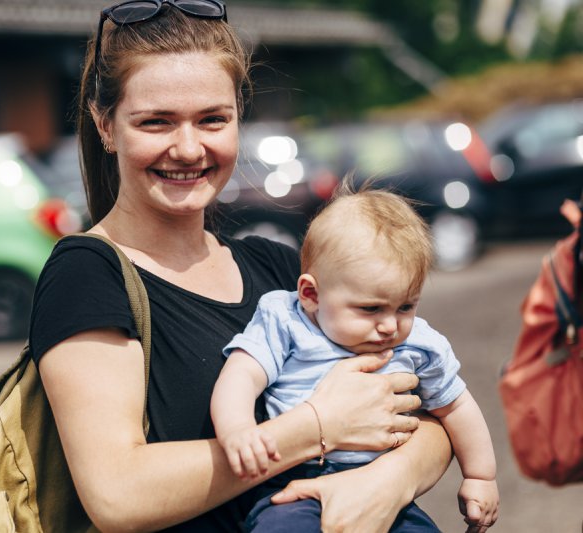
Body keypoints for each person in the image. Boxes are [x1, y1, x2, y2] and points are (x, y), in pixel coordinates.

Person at [29, 1, 454, 531]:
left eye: (213, 119)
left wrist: (386, 483)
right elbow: (119, 494)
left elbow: (432, 418)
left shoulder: (281, 269)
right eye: (156, 122)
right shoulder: (88, 275)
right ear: (106, 126)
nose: (189, 148)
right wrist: (318, 427)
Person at [211, 183, 499, 532]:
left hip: (381, 484)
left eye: (405, 306)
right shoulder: (286, 320)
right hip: (292, 482)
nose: (390, 325)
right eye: (371, 309)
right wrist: (238, 429)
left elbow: (455, 406)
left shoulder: (420, 343)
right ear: (311, 294)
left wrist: (480, 475)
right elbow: (242, 373)